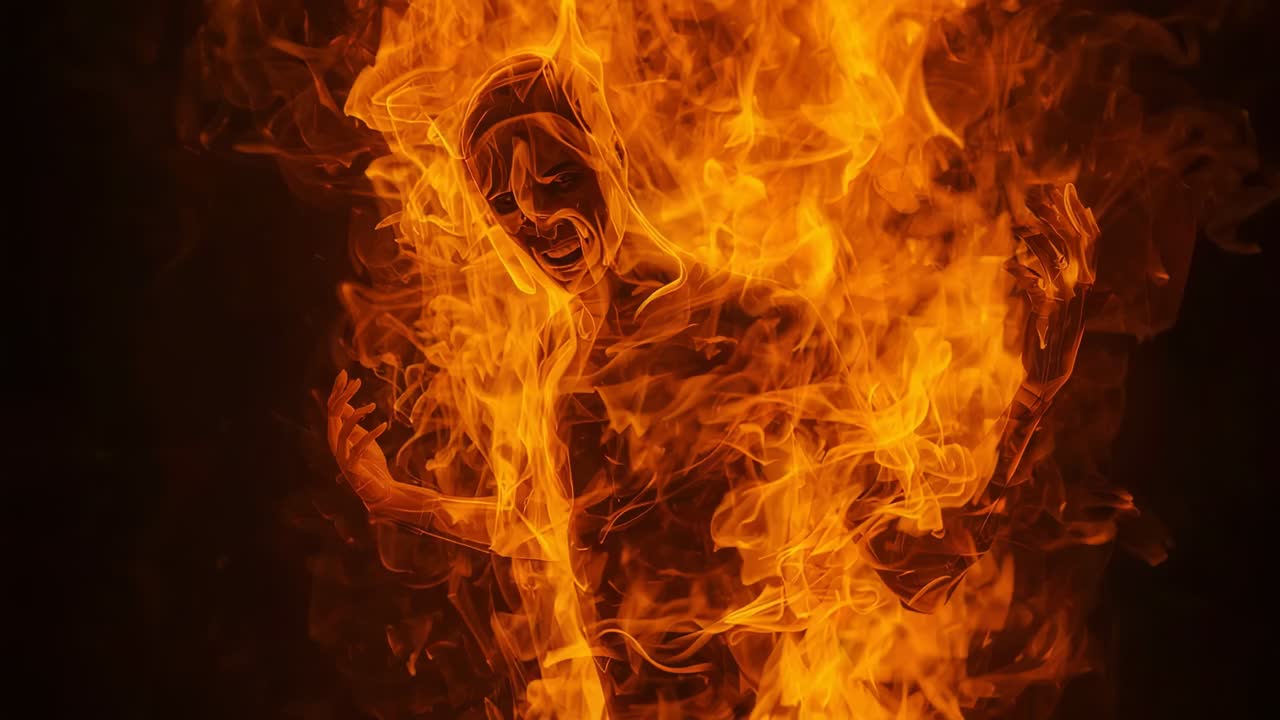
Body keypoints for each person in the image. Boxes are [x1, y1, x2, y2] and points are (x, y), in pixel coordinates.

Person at [326, 51, 1097, 709]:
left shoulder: (755, 324)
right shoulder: (564, 361)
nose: (537, 222)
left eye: (557, 182)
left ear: (613, 159)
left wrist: (1037, 393)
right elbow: (557, 530)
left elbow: (918, 569)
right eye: (506, 205)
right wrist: (402, 500)